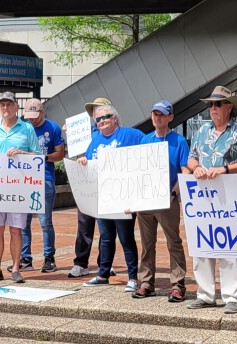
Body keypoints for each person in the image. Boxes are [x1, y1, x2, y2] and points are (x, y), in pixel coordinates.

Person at [185, 86, 237, 314]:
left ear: (229, 107)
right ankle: (205, 294)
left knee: (229, 246)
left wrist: (224, 169)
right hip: (203, 195)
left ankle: (232, 296)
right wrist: (195, 169)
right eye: (210, 105)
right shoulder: (202, 131)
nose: (212, 109)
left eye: (217, 104)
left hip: (229, 197)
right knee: (202, 244)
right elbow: (191, 157)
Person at [77, 104, 143, 292]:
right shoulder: (94, 140)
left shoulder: (132, 135)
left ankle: (132, 277)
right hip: (102, 197)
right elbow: (89, 165)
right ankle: (102, 274)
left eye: (105, 117)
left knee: (126, 238)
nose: (102, 121)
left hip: (124, 197)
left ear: (115, 118)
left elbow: (148, 154)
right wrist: (83, 161)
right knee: (106, 238)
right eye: (98, 119)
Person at [0, 92, 40, 284]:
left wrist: (22, 153)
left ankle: (15, 268)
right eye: (3, 105)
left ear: (16, 107)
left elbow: (37, 156)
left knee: (16, 229)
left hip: (18, 188)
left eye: (9, 105)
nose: (6, 108)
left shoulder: (27, 128)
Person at [132, 100, 189, 303]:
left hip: (167, 200)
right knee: (147, 244)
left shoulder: (179, 141)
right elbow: (136, 172)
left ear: (170, 117)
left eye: (162, 114)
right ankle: (146, 282)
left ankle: (178, 284)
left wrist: (174, 193)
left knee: (173, 242)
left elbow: (184, 170)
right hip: (145, 200)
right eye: (155, 114)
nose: (158, 118)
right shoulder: (145, 141)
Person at [16, 98, 66, 273]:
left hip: (44, 177)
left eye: (35, 116)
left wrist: (41, 158)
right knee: (23, 222)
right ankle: (25, 258)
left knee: (45, 222)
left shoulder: (53, 128)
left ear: (42, 112)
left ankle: (49, 258)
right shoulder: (22, 128)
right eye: (29, 117)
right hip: (24, 178)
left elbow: (60, 154)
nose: (33, 120)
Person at [68, 97, 114, 278]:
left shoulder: (112, 132)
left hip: (107, 185)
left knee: (106, 229)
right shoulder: (83, 133)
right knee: (84, 226)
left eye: (101, 109)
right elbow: (80, 156)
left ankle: (105, 263)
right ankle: (81, 262)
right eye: (95, 110)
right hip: (88, 185)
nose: (98, 113)